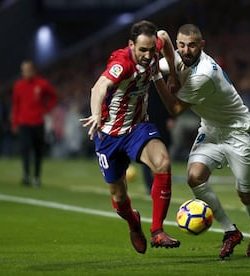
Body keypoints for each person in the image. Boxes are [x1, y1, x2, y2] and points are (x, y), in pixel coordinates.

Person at [156, 24, 250, 259]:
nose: (186, 50)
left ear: (202, 46)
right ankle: (230, 231)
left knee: (246, 194)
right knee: (194, 177)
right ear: (177, 45)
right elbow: (155, 64)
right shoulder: (178, 58)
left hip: (240, 133)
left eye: (192, 45)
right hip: (212, 130)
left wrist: (158, 78)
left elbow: (175, 108)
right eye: (182, 45)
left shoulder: (205, 73)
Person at [80, 20, 180, 254]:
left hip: (137, 127)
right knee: (118, 195)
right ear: (131, 45)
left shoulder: (156, 46)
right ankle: (134, 224)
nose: (147, 55)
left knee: (163, 162)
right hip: (109, 135)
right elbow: (99, 87)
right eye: (142, 50)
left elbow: (164, 36)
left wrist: (173, 74)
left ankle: (157, 231)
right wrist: (96, 114)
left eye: (150, 49)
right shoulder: (121, 63)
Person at [12, 60, 57, 187]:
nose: (26, 72)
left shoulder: (42, 84)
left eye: (28, 70)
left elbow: (54, 96)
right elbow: (16, 105)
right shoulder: (18, 86)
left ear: (33, 70)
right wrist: (15, 123)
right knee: (25, 150)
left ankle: (36, 177)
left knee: (38, 151)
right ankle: (26, 175)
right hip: (24, 123)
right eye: (24, 70)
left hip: (38, 122)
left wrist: (47, 110)